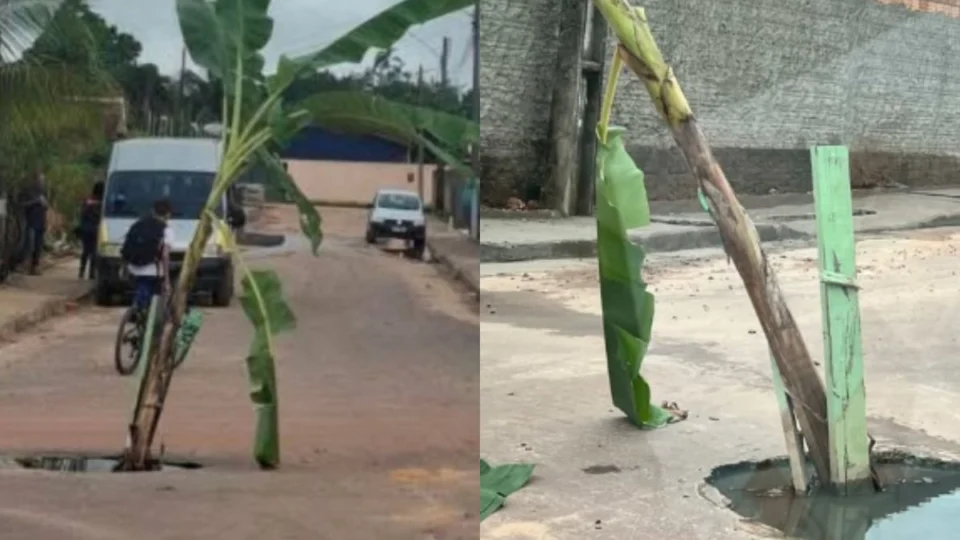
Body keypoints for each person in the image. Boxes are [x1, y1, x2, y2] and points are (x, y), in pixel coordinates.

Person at [120, 198, 174, 314]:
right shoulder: (166, 230)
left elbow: (126, 247)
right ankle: (146, 316)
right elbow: (165, 255)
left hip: (133, 268)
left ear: (153, 211)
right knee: (156, 295)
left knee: (141, 287)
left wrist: (124, 267)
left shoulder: (137, 225)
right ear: (168, 214)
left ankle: (139, 311)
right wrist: (167, 280)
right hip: (154, 270)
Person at [20, 169, 48, 275]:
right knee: (29, 245)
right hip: (30, 221)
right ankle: (25, 265)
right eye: (41, 180)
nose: (42, 182)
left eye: (43, 180)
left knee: (38, 246)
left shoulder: (43, 192)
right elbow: (22, 204)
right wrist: (36, 201)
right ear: (35, 180)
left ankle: (35, 267)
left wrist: (45, 204)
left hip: (41, 222)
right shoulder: (28, 191)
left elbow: (45, 207)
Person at [76, 181, 104, 279]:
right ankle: (91, 273)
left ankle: (81, 271)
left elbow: (82, 214)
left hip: (86, 228)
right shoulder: (102, 203)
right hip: (95, 228)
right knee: (94, 252)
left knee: (85, 251)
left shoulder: (88, 201)